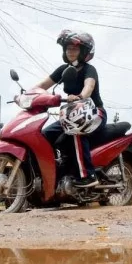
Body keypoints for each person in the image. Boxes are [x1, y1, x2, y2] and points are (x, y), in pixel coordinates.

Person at [34, 30, 106, 188]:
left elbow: (89, 86)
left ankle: (88, 175)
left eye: (74, 49)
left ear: (83, 52)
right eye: (67, 49)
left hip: (94, 112)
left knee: (76, 131)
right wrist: (27, 95)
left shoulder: (89, 69)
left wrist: (81, 96)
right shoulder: (63, 69)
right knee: (44, 135)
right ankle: (56, 174)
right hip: (72, 115)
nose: (70, 52)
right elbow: (42, 86)